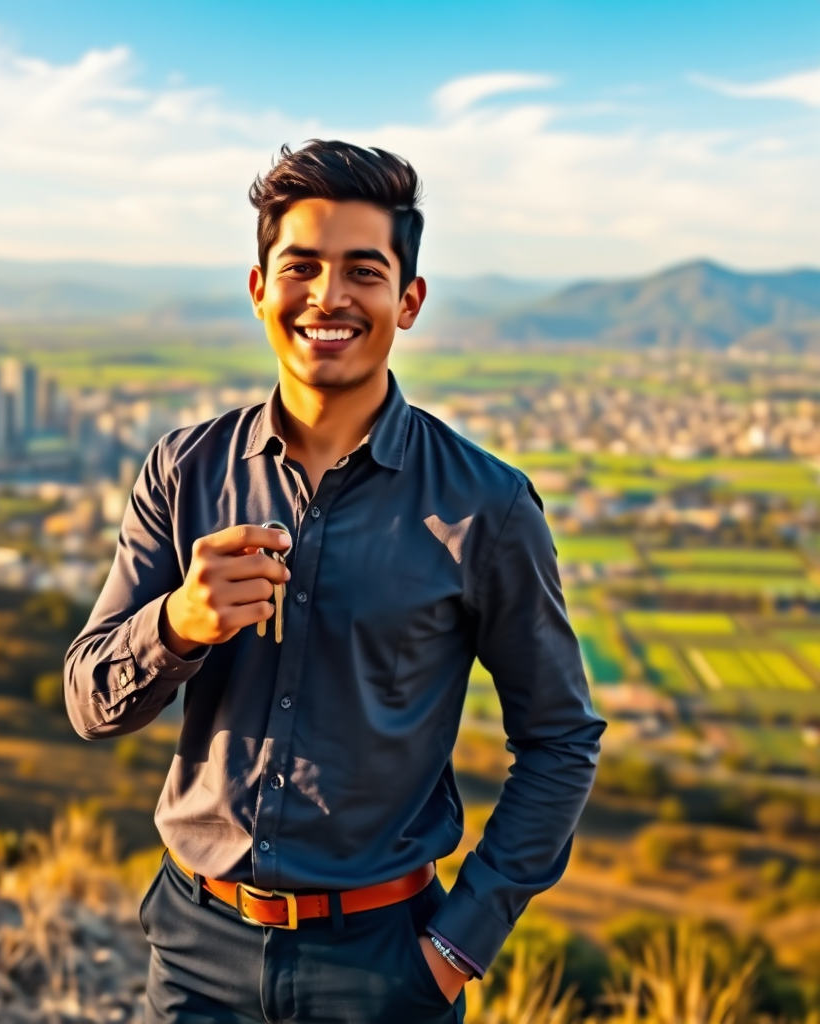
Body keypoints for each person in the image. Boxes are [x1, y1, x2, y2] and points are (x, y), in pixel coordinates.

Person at [64, 139, 605, 1024]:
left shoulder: (486, 505)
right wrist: (177, 624)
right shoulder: (185, 471)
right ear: (258, 289)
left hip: (385, 963)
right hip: (196, 950)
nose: (329, 297)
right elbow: (89, 703)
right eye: (301, 267)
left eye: (364, 270)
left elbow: (560, 739)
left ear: (409, 300)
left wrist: (455, 947)